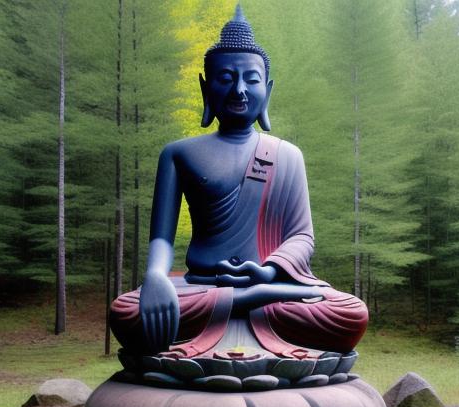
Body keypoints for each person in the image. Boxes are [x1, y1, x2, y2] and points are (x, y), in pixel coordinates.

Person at [110, 5, 368, 361]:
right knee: (126, 311)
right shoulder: (178, 153)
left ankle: (246, 300)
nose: (239, 90)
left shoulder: (287, 155)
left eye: (251, 79)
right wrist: (155, 275)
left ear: (268, 90)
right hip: (200, 285)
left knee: (351, 313)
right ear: (206, 88)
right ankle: (246, 302)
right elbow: (161, 238)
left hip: (269, 286)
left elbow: (302, 237)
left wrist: (268, 271)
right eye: (226, 78)